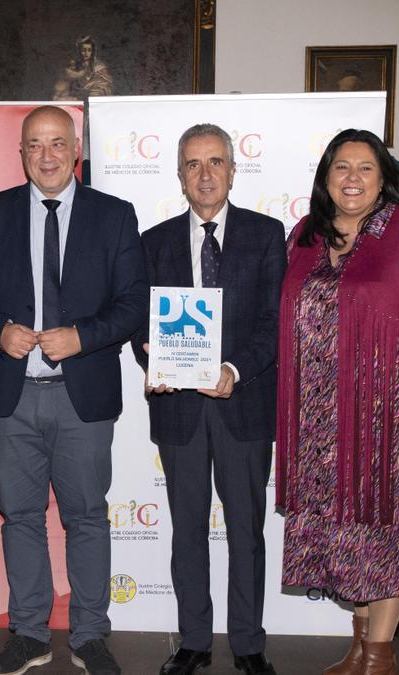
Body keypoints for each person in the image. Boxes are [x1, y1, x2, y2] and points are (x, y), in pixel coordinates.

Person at [275, 129, 399, 675]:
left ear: (384, 176)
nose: (353, 178)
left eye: (365, 167)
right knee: (345, 536)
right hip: (320, 427)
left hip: (394, 418)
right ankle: (359, 648)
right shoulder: (305, 237)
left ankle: (380, 657)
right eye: (342, 167)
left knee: (389, 533)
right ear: (326, 176)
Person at [0, 106, 147, 675]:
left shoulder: (114, 216)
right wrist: (0, 331)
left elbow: (134, 304)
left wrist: (82, 337)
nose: (46, 156)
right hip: (11, 396)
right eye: (34, 145)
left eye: (57, 144)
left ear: (77, 150)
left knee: (88, 517)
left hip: (83, 396)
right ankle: (29, 634)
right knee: (20, 517)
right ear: (21, 153)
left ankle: (91, 634)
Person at [134, 125, 285, 675]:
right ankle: (194, 640)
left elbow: (275, 323)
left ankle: (248, 644)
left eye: (215, 162)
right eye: (193, 163)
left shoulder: (267, 235)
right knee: (187, 529)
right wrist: (153, 361)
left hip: (243, 405)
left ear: (232, 170)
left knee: (246, 530)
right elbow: (140, 328)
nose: (204, 174)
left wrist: (234, 369)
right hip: (179, 411)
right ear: (178, 173)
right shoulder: (153, 242)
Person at [52, 35, 114, 100]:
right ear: (79, 51)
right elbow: (64, 84)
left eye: (89, 50)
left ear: (93, 51)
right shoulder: (74, 65)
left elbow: (104, 87)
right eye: (83, 50)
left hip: (93, 102)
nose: (86, 53)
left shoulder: (100, 68)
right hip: (75, 101)